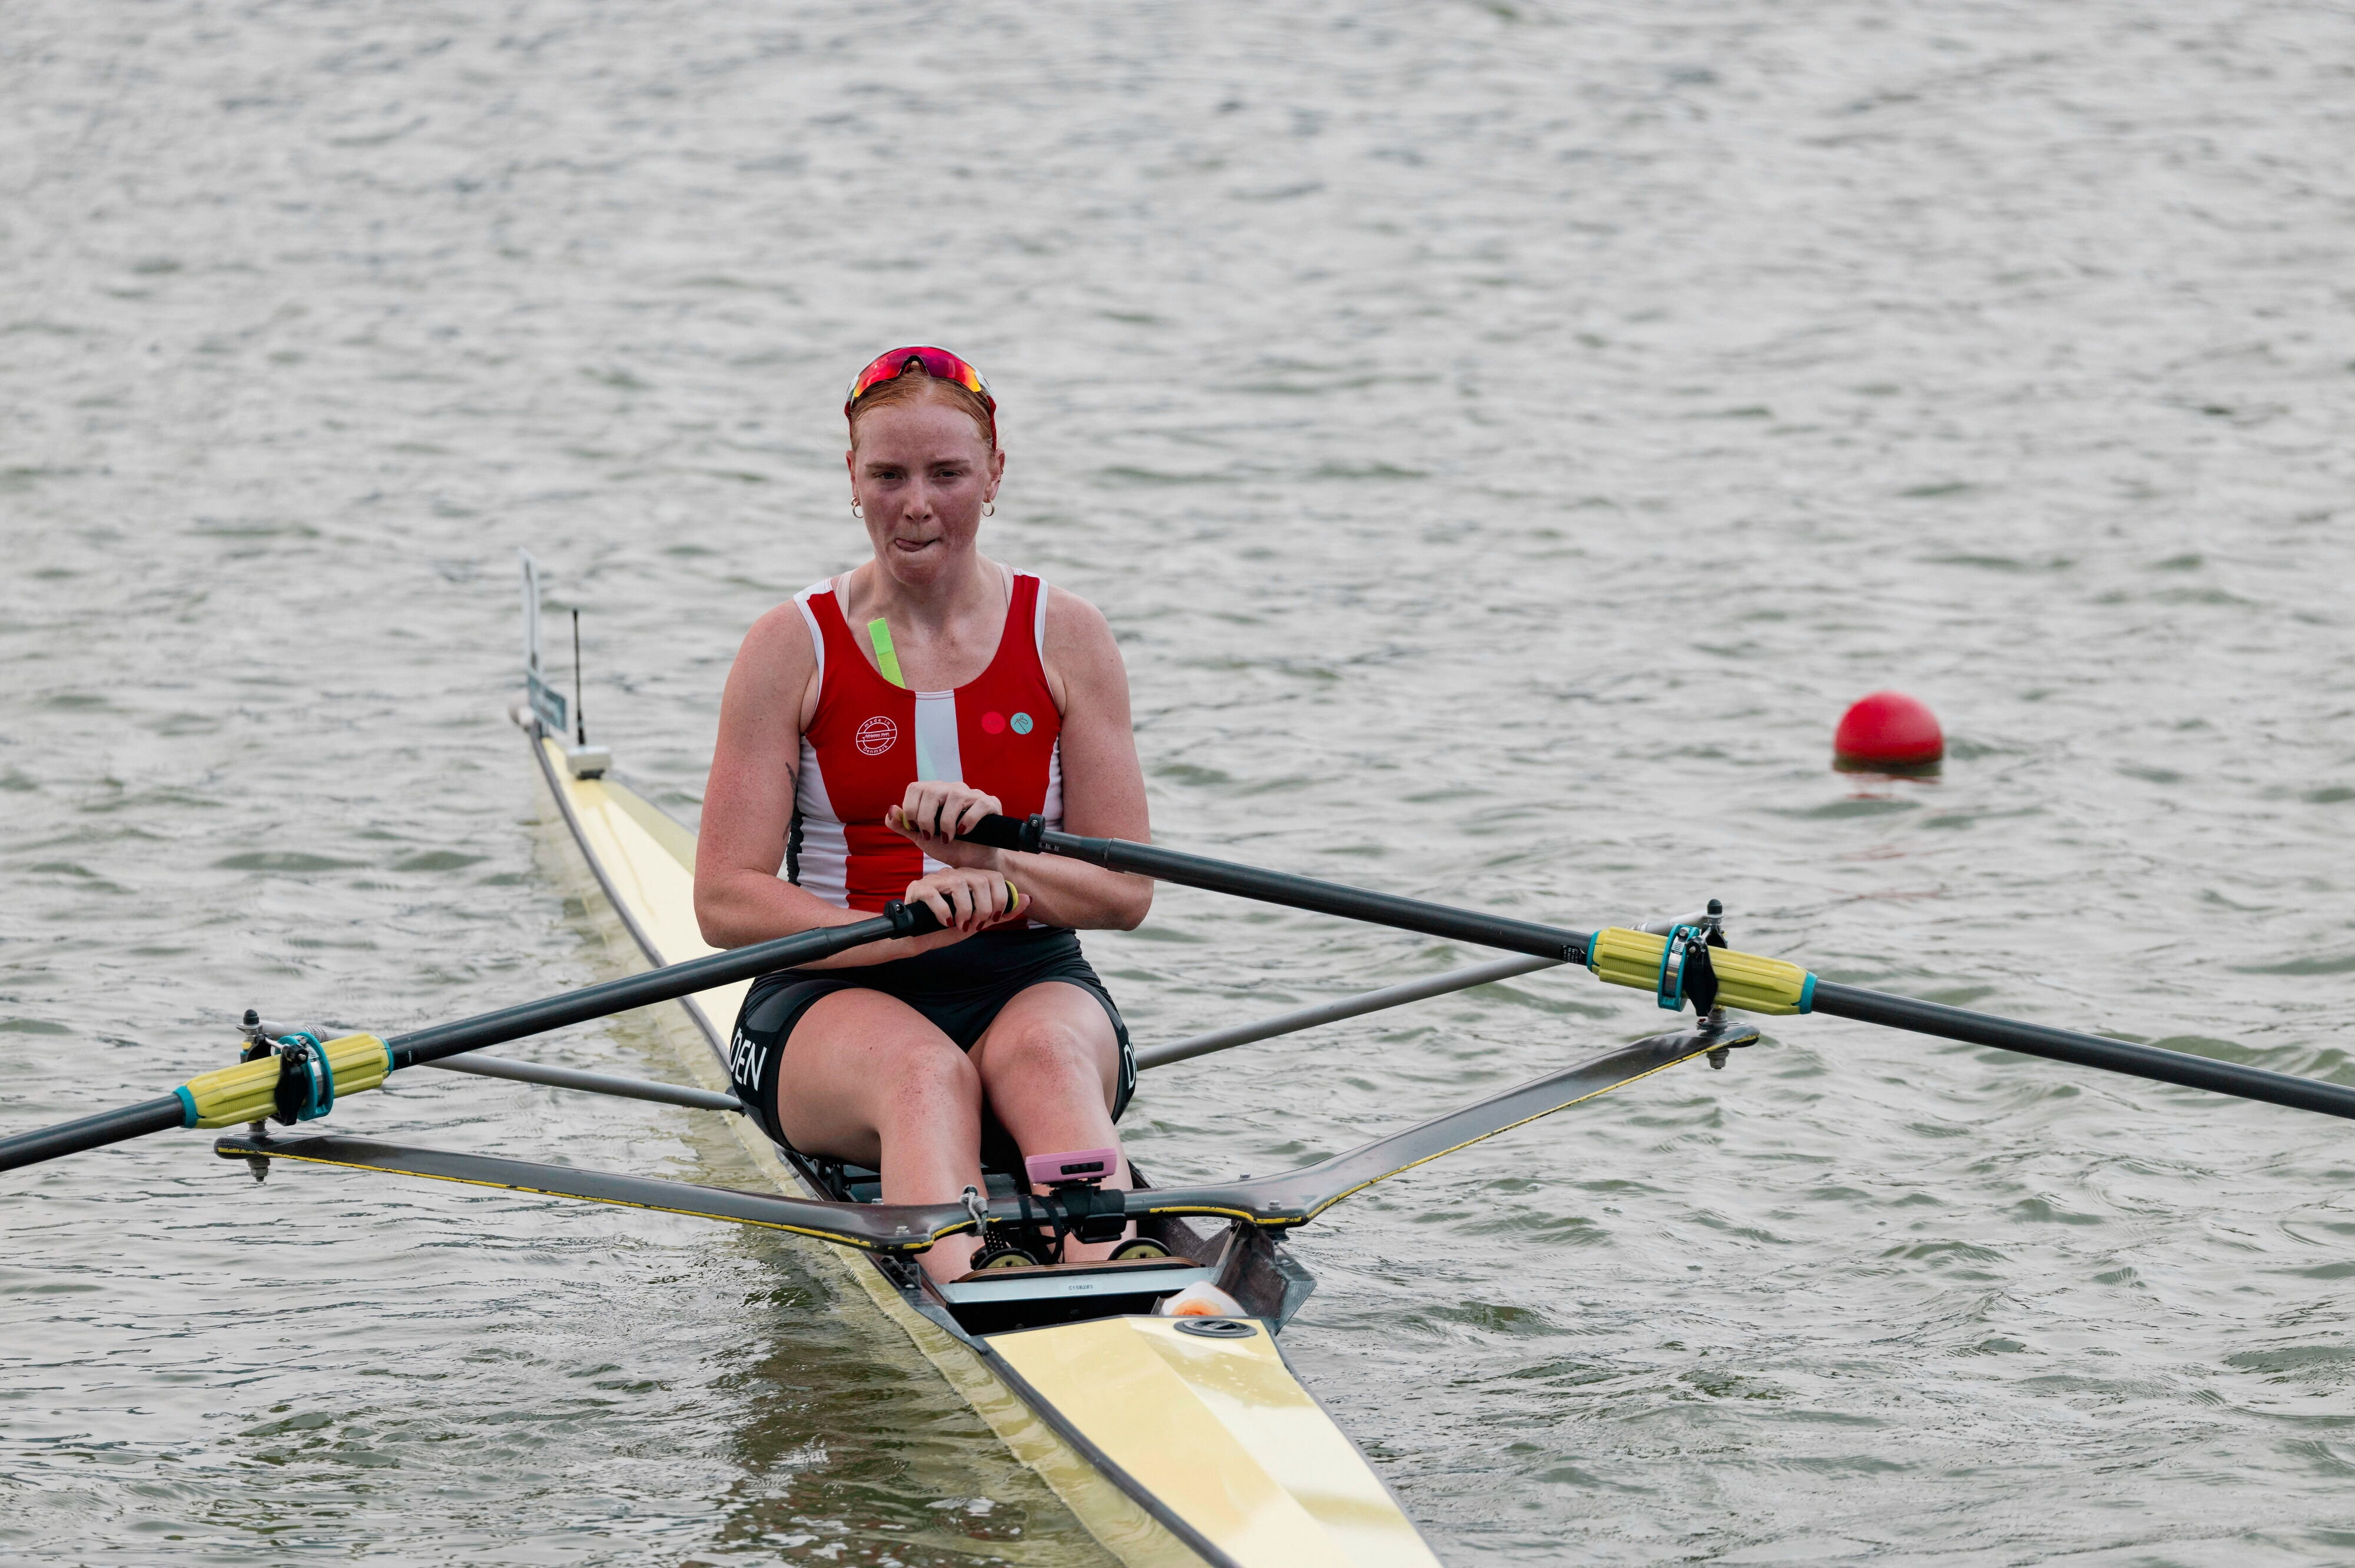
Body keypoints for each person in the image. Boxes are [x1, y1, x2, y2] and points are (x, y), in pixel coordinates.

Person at [694, 346, 1153, 1283]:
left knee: (1055, 1064)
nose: (916, 504)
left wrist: (999, 869)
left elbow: (1125, 893)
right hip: (829, 986)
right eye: (888, 474)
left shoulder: (1066, 634)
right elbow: (726, 903)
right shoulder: (792, 647)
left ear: (993, 474)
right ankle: (975, 1288)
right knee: (924, 1076)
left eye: (946, 473)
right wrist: (892, 935)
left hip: (1028, 974)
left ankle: (1110, 1276)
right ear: (851, 481)